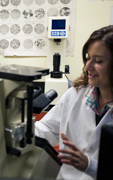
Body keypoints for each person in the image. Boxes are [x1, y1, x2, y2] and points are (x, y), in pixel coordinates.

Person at [35, 25, 113, 179]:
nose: (87, 66)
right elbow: (46, 129)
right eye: (88, 58)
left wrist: (89, 165)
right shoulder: (74, 95)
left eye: (98, 61)